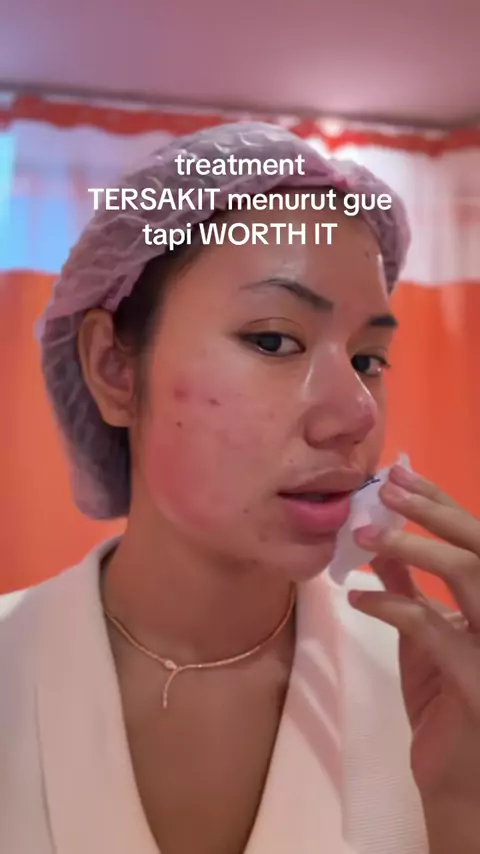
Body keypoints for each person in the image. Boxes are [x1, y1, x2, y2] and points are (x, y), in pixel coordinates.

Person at [1, 122, 479, 854]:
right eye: (273, 340)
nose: (356, 414)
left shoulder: (442, 691)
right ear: (114, 370)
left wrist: (462, 813)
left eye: (368, 359)